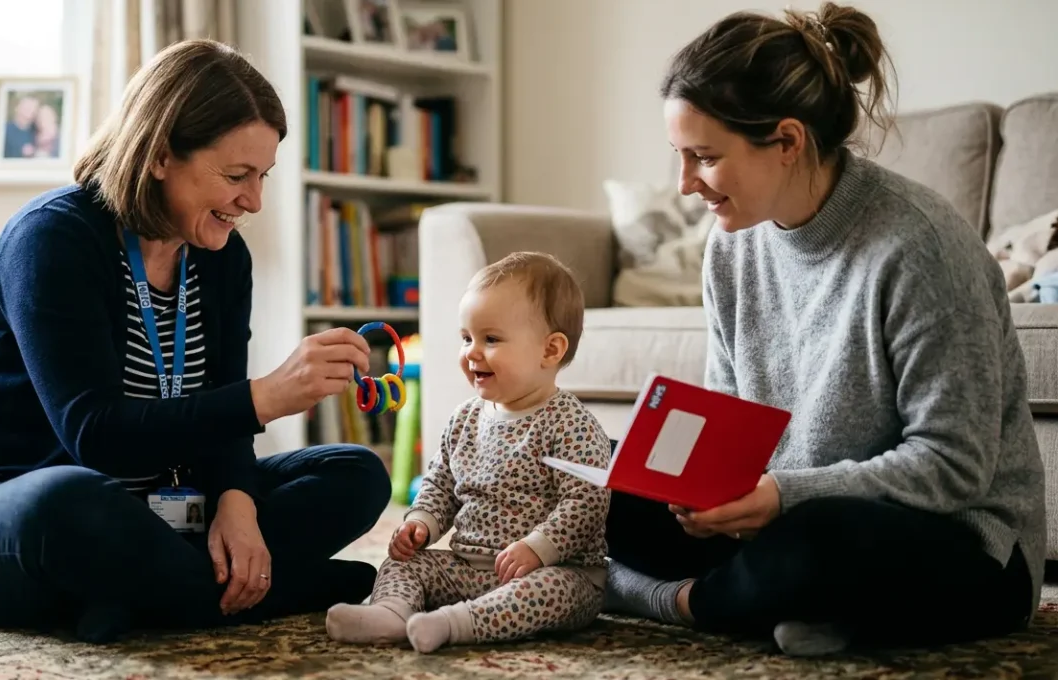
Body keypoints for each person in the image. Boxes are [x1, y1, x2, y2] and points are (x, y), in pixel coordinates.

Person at [0, 39, 393, 644]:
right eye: (236, 175)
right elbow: (95, 435)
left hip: (156, 515)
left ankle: (142, 597)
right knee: (69, 502)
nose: (254, 201)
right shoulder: (54, 239)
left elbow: (218, 408)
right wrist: (265, 397)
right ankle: (256, 592)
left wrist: (236, 502)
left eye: (263, 176)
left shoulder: (220, 256)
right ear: (161, 156)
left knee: (356, 473)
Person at [601, 1, 1046, 657]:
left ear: (786, 141)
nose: (686, 184)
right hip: (773, 520)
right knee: (604, 478)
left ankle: (681, 601)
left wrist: (785, 495)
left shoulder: (918, 246)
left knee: (818, 545)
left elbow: (953, 469)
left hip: (952, 542)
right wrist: (696, 485)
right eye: (679, 156)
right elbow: (729, 427)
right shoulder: (731, 245)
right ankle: (794, 608)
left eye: (704, 157)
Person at [326, 252, 613, 653]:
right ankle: (392, 612)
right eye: (467, 338)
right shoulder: (464, 418)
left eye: (490, 339)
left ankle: (454, 624)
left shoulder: (570, 423)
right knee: (405, 564)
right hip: (467, 568)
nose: (472, 352)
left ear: (550, 351)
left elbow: (587, 500)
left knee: (554, 590)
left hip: (553, 570)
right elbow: (440, 481)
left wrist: (538, 546)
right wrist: (421, 524)